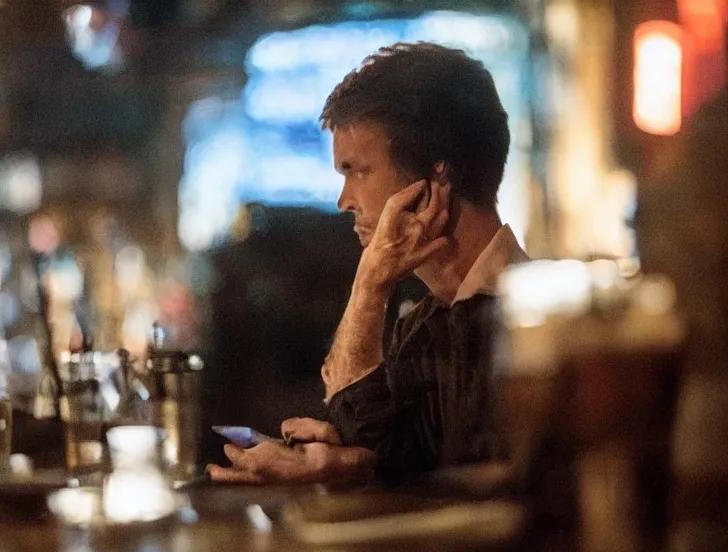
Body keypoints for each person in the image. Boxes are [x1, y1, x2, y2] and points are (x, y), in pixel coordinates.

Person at [207, 42, 529, 486]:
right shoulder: (425, 326)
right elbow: (404, 462)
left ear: (439, 175)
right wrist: (345, 457)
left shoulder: (523, 325)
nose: (344, 202)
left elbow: (473, 495)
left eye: (357, 170)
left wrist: (369, 284)